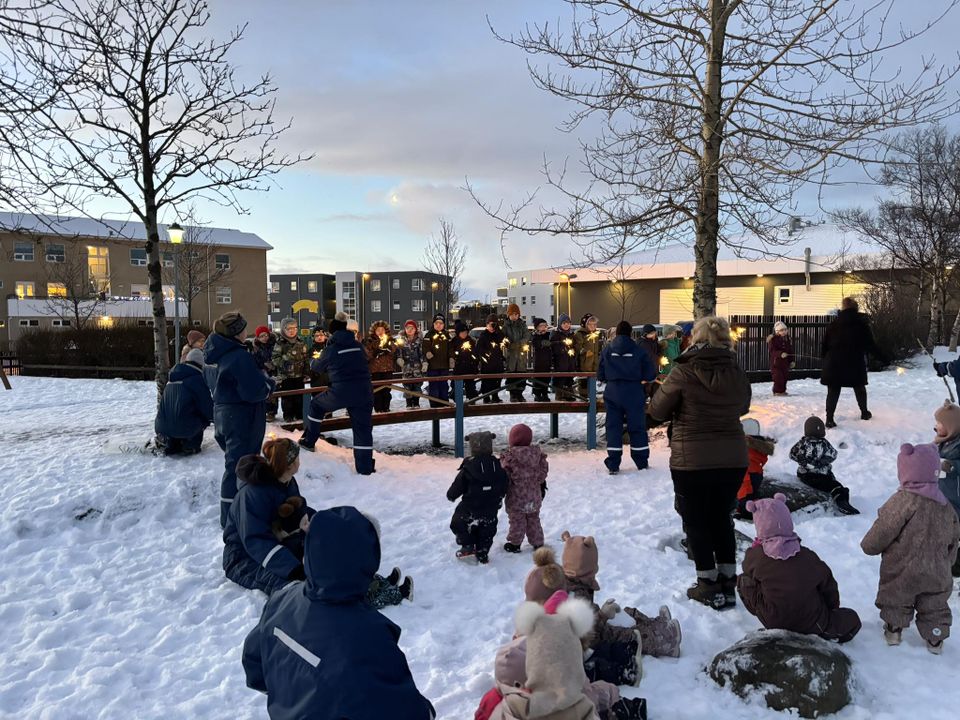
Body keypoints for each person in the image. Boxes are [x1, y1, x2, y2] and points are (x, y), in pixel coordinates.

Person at [242, 505, 436, 720]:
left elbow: (254, 664)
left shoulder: (281, 599)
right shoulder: (369, 638)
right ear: (367, 561)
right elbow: (401, 710)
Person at [648, 316, 751, 610]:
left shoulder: (683, 370)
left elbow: (657, 410)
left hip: (691, 458)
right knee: (721, 518)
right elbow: (742, 406)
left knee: (696, 520)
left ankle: (707, 584)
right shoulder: (736, 370)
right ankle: (728, 583)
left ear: (697, 338)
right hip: (732, 457)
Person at [861, 443, 960, 653]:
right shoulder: (946, 506)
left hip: (902, 568)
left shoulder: (903, 501)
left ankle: (894, 628)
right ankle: (935, 637)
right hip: (937, 571)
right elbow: (954, 538)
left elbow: (885, 527)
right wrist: (947, 562)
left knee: (897, 596)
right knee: (934, 604)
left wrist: (869, 546)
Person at [737, 494, 861, 643]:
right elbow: (828, 585)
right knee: (852, 618)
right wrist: (831, 608)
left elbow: (749, 577)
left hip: (773, 619)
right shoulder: (807, 556)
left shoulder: (754, 555)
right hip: (814, 622)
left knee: (743, 580)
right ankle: (828, 634)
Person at [560, 530, 682, 659]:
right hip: (592, 641)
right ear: (584, 570)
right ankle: (664, 642)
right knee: (626, 635)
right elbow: (588, 632)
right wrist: (602, 616)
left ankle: (657, 625)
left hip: (595, 625)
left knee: (627, 612)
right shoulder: (575, 595)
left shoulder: (572, 581)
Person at [205, 311, 275, 528]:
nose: (248, 331)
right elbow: (254, 390)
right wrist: (269, 384)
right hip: (241, 417)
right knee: (241, 465)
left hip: (223, 414)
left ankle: (234, 513)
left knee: (234, 463)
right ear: (236, 332)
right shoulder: (238, 356)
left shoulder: (213, 356)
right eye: (244, 328)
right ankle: (233, 518)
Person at [223, 440, 315, 594]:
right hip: (244, 556)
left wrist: (318, 521)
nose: (300, 461)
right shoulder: (252, 495)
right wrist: (293, 569)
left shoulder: (287, 481)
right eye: (297, 457)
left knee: (317, 562)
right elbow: (256, 539)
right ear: (290, 464)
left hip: (279, 543)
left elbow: (295, 510)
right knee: (294, 586)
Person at [299, 312, 375, 475]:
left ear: (332, 333)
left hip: (341, 391)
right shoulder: (358, 345)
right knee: (362, 429)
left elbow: (317, 367)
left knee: (316, 405)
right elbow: (366, 358)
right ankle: (365, 468)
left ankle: (309, 440)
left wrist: (312, 360)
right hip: (364, 391)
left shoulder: (331, 349)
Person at [598, 321, 657, 475]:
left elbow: (600, 374)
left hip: (613, 392)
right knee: (637, 427)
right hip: (634, 391)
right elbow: (650, 374)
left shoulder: (607, 350)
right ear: (631, 333)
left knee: (613, 427)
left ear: (616, 333)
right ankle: (641, 461)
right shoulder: (639, 350)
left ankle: (613, 462)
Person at [447, 431, 508, 564]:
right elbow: (504, 481)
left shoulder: (468, 466)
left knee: (459, 522)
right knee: (488, 529)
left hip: (470, 507)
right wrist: (501, 494)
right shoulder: (498, 465)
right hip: (491, 506)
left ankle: (468, 545)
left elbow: (459, 484)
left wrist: (451, 495)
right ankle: (483, 551)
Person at [820, 297, 881, 427]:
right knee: (859, 387)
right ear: (856, 308)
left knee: (833, 390)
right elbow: (870, 345)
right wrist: (885, 359)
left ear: (843, 308)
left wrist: (824, 358)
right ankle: (864, 412)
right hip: (854, 363)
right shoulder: (861, 325)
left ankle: (829, 419)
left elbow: (824, 345)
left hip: (834, 363)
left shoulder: (833, 324)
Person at [789, 416, 860, 515]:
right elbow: (833, 454)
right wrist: (807, 460)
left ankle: (841, 499)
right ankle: (842, 502)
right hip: (817, 476)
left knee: (831, 484)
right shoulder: (819, 443)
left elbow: (792, 454)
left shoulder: (804, 443)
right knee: (835, 486)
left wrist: (814, 461)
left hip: (806, 475)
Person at [154, 347, 213, 456]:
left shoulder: (172, 378)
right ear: (201, 364)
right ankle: (191, 445)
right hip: (185, 428)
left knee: (177, 417)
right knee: (202, 418)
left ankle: (171, 444)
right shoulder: (197, 380)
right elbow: (207, 408)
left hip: (161, 427)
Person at [501, 423, 549, 553]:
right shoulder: (537, 456)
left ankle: (515, 543)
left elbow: (505, 475)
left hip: (517, 498)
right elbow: (543, 473)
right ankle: (538, 542)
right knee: (534, 518)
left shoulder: (510, 458)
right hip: (534, 496)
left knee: (517, 520)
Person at [735, 418, 776, 520]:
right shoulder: (758, 448)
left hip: (747, 480)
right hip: (757, 476)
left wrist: (743, 499)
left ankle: (748, 511)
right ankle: (753, 501)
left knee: (747, 497)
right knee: (753, 494)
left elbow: (743, 477)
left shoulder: (743, 450)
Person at [271, 317, 308, 422]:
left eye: (294, 328)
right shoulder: (280, 343)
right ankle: (288, 415)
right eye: (289, 329)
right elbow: (275, 359)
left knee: (299, 396)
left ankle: (299, 414)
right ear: (283, 330)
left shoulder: (301, 342)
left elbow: (306, 359)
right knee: (287, 397)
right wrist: (285, 360)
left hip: (299, 375)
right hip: (285, 376)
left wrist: (306, 372)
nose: (292, 331)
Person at [363, 320, 398, 414]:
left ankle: (386, 407)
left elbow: (395, 351)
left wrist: (389, 349)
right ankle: (378, 408)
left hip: (387, 369)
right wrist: (375, 353)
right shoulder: (370, 341)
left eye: (382, 329)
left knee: (386, 390)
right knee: (377, 390)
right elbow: (366, 354)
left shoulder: (389, 340)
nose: (380, 331)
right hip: (375, 370)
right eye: (378, 330)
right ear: (374, 331)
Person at [476, 313, 507, 403]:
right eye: (490, 324)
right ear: (487, 324)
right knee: (487, 381)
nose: (492, 326)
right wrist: (485, 356)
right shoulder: (483, 335)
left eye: (494, 324)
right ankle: (486, 397)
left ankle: (495, 396)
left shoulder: (498, 334)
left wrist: (498, 330)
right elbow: (478, 349)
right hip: (487, 364)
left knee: (497, 381)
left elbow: (504, 342)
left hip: (497, 362)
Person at [503, 303, 530, 402]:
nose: (514, 316)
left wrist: (519, 343)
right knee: (511, 375)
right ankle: (513, 394)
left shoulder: (522, 325)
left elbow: (527, 336)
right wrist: (509, 343)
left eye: (516, 314)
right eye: (512, 314)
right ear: (509, 315)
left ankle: (520, 394)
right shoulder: (506, 326)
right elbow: (504, 338)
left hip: (521, 354)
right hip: (511, 355)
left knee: (521, 375)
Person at [397, 319, 426, 409]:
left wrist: (424, 363)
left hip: (417, 367)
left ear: (415, 329)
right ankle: (409, 403)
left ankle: (416, 402)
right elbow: (399, 352)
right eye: (408, 328)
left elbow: (422, 353)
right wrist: (399, 359)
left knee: (417, 385)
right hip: (406, 367)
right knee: (407, 386)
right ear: (405, 329)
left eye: (412, 328)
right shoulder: (401, 340)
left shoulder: (419, 340)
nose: (410, 330)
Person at [424, 313, 451, 408]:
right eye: (436, 323)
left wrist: (451, 358)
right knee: (434, 385)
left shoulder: (447, 335)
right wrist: (427, 353)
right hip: (432, 366)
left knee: (444, 385)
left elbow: (450, 348)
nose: (438, 325)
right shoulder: (429, 334)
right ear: (433, 324)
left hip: (444, 365)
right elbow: (425, 347)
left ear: (444, 324)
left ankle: (444, 402)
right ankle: (434, 403)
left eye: (441, 323)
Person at [575, 314, 603, 399]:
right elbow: (578, 347)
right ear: (586, 324)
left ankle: (591, 395)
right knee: (583, 380)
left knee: (592, 380)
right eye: (590, 324)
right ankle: (583, 396)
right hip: (584, 362)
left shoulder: (596, 334)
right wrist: (585, 352)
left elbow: (598, 348)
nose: (593, 326)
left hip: (594, 362)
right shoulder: (580, 333)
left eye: (594, 324)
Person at [551, 314, 577, 400]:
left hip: (570, 361)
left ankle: (569, 394)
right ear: (560, 324)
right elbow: (554, 347)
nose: (566, 325)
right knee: (560, 378)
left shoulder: (572, 335)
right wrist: (563, 348)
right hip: (560, 362)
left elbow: (575, 346)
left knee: (569, 378)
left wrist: (573, 351)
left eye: (568, 323)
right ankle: (560, 394)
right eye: (564, 323)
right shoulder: (556, 334)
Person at [451, 319, 479, 400]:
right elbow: (451, 353)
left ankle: (471, 401)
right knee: (456, 387)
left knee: (470, 387)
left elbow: (475, 354)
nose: (464, 334)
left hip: (470, 368)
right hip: (458, 369)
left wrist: (475, 364)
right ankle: (458, 402)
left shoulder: (471, 341)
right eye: (462, 332)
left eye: (466, 332)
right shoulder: (454, 341)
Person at [767, 321, 794, 396]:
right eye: (782, 330)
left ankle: (782, 390)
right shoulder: (773, 339)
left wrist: (791, 361)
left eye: (785, 330)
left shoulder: (787, 339)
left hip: (785, 363)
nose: (784, 332)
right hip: (776, 363)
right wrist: (780, 354)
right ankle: (777, 391)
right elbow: (773, 351)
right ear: (777, 331)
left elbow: (790, 351)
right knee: (778, 377)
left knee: (785, 376)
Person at [530, 317, 553, 402]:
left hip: (547, 360)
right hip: (539, 361)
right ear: (537, 327)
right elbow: (536, 344)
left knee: (546, 378)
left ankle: (545, 393)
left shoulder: (548, 335)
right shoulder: (535, 336)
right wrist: (542, 343)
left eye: (544, 326)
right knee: (538, 378)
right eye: (541, 326)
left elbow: (552, 343)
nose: (543, 328)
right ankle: (537, 394)